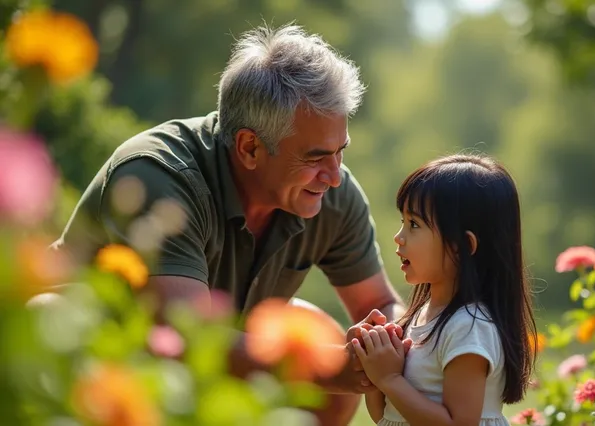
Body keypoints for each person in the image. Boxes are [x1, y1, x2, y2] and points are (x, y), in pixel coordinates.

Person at [52, 23, 405, 426]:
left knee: (316, 332)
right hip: (106, 360)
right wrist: (332, 367)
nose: (335, 175)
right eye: (315, 157)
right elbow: (185, 335)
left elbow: (377, 302)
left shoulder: (332, 196)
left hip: (203, 361)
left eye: (341, 151)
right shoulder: (160, 177)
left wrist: (388, 340)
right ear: (250, 147)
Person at [350, 154, 538, 426]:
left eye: (414, 224)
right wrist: (374, 362)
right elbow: (389, 416)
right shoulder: (420, 319)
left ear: (460, 247)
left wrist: (390, 379)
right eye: (402, 221)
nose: (399, 236)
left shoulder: (469, 327)